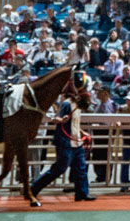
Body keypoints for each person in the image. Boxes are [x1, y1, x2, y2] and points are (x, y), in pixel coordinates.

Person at [30, 74, 96, 202]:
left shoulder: (77, 104)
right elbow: (57, 118)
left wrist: (82, 132)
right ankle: (34, 188)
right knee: (59, 169)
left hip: (76, 142)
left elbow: (74, 123)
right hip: (65, 142)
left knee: (81, 168)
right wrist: (61, 120)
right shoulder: (67, 104)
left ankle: (82, 193)